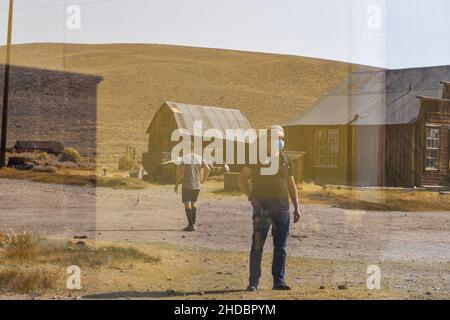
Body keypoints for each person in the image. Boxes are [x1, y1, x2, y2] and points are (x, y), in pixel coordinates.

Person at [238, 125, 302, 291]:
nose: (280, 142)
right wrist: (251, 198)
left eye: (282, 139)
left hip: (281, 208)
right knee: (257, 245)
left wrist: (296, 206)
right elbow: (242, 179)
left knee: (280, 246)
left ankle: (279, 281)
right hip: (262, 208)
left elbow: (291, 183)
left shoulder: (285, 160)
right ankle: (253, 282)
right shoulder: (256, 158)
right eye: (276, 138)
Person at [175, 143, 211, 232]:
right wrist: (203, 180)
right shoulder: (199, 158)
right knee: (194, 204)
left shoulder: (185, 158)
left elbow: (182, 173)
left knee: (187, 204)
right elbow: (208, 169)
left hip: (187, 185)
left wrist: (176, 184)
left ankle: (191, 225)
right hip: (197, 185)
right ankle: (193, 224)